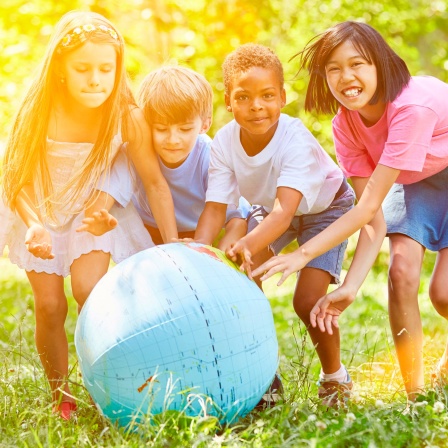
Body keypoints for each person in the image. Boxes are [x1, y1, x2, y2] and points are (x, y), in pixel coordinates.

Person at [254, 21, 448, 403]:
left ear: (380, 64)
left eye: (357, 64)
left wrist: (303, 253)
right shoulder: (345, 124)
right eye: (334, 68)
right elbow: (369, 216)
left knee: (443, 295)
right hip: (416, 178)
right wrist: (350, 287)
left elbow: (368, 207)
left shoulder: (411, 108)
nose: (346, 77)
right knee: (400, 271)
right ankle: (416, 396)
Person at [0, 11, 177, 420]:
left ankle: (105, 383)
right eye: (82, 69)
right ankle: (61, 394)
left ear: (118, 69)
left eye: (105, 69)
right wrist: (33, 225)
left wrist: (172, 247)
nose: (95, 79)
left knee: (90, 293)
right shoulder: (39, 109)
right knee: (48, 306)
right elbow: (16, 177)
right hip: (39, 210)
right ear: (60, 69)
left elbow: (153, 183)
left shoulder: (125, 115)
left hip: (90, 214)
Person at [193, 43, 356, 407]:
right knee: (241, 279)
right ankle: (263, 375)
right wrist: (199, 250)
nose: (256, 106)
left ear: (282, 97)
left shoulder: (293, 139)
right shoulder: (223, 142)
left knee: (307, 301)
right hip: (273, 209)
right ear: (228, 100)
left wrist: (246, 244)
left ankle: (335, 377)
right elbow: (215, 208)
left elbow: (286, 211)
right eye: (244, 97)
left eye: (267, 95)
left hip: (326, 208)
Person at [100, 65, 250, 249]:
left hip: (200, 230)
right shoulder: (137, 150)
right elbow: (109, 189)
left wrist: (219, 254)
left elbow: (238, 216)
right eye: (161, 129)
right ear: (145, 125)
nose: (173, 140)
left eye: (185, 129)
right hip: (148, 229)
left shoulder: (210, 156)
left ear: (204, 124)